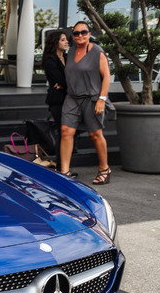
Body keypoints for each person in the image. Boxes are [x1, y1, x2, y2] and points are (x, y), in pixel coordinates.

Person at [60, 21, 114, 184]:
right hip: (72, 98)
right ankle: (64, 172)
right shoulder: (70, 51)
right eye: (76, 33)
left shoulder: (96, 51)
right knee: (65, 132)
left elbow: (107, 77)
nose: (80, 36)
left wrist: (101, 99)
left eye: (83, 32)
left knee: (95, 134)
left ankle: (105, 169)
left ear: (89, 34)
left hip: (92, 97)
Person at [42, 30, 69, 170]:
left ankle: (64, 165)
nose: (66, 42)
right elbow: (60, 80)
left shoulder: (67, 57)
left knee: (69, 132)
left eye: (66, 39)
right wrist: (63, 82)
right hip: (57, 101)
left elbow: (68, 79)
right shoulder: (50, 59)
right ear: (55, 42)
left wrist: (64, 83)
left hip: (69, 99)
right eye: (63, 39)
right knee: (62, 132)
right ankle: (61, 166)